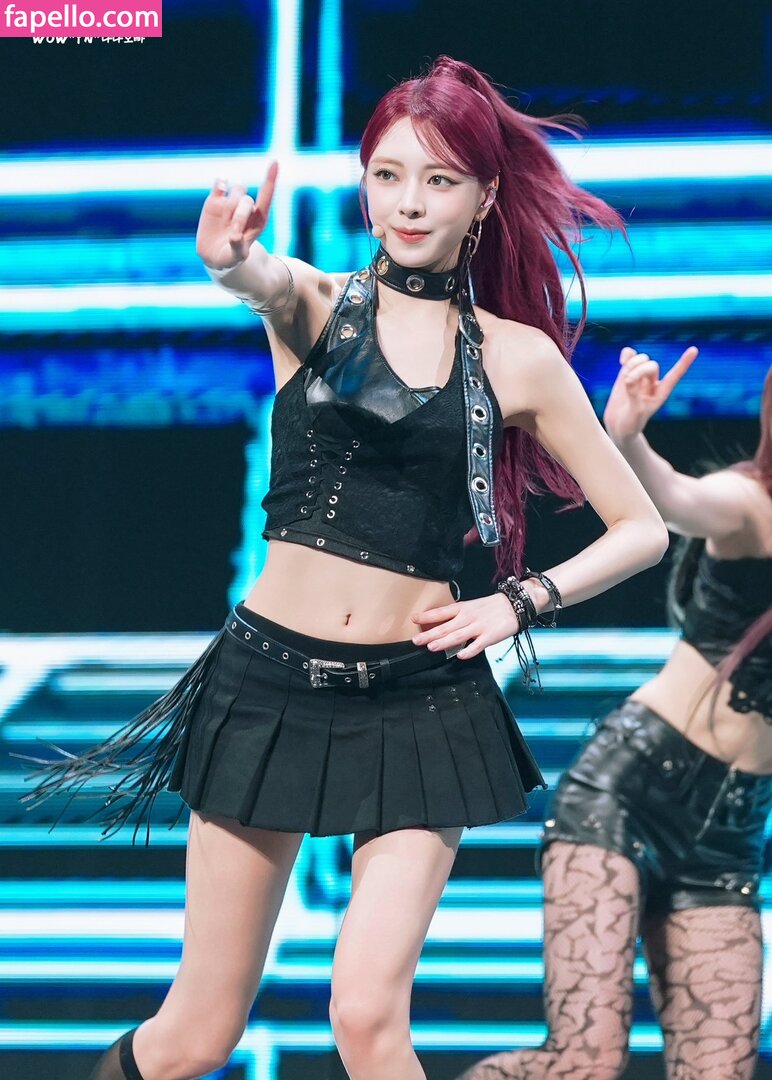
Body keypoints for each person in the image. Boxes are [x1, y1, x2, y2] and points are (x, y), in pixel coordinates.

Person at [21, 58, 667, 1080]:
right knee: (195, 1037)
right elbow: (264, 279)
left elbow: (640, 529)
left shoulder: (518, 357)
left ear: (484, 198)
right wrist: (231, 262)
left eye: (439, 180)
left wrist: (518, 603)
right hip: (266, 688)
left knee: (366, 1017)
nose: (408, 203)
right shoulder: (320, 308)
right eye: (388, 175)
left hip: (421, 703)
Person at [458, 355, 772, 1080]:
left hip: (730, 837)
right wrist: (628, 438)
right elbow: (679, 500)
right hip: (628, 795)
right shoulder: (754, 505)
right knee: (584, 1064)